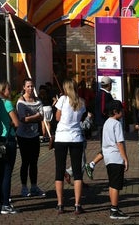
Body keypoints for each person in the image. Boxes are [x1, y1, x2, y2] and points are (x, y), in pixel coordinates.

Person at [54, 79, 86, 215]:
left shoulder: (62, 99)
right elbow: (82, 117)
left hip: (61, 137)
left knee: (59, 170)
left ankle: (60, 204)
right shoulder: (81, 101)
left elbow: (57, 117)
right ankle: (77, 205)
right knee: (77, 171)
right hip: (76, 137)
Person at [0, 80, 20, 214]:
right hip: (8, 140)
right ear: (3, 91)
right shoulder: (7, 103)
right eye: (8, 89)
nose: (10, 91)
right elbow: (16, 122)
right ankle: (5, 203)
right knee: (7, 173)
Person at [16, 78, 45, 198]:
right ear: (24, 87)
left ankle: (34, 186)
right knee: (25, 162)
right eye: (28, 86)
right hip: (23, 135)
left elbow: (42, 116)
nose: (30, 89)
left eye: (32, 86)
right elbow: (23, 119)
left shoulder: (38, 101)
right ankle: (24, 187)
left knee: (34, 162)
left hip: (34, 135)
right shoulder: (21, 102)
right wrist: (36, 116)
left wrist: (32, 117)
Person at [102, 100, 130, 219]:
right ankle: (114, 209)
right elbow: (119, 143)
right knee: (116, 185)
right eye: (121, 109)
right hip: (116, 157)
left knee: (112, 183)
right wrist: (125, 158)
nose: (123, 111)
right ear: (115, 111)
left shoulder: (107, 122)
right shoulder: (117, 124)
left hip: (108, 157)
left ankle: (114, 207)